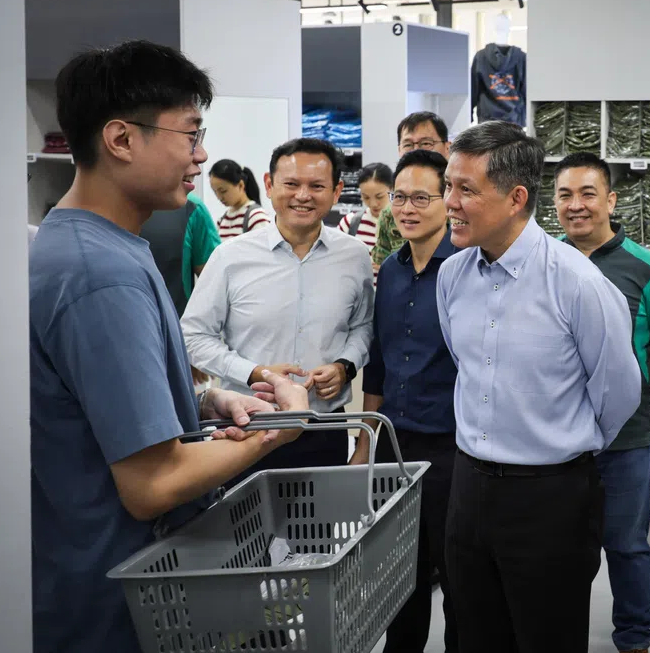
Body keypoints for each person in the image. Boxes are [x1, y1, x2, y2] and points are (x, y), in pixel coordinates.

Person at [29, 39, 310, 653]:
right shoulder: (99, 274)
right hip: (115, 607)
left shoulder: (93, 243)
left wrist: (210, 397)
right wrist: (279, 431)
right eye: (189, 134)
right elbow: (152, 485)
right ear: (121, 140)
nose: (202, 154)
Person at [436, 121, 643, 653]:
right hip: (469, 489)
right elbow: (469, 370)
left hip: (550, 499)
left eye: (466, 190)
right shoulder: (453, 274)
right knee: (476, 646)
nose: (449, 203)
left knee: (546, 651)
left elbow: (618, 393)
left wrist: (560, 441)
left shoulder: (578, 284)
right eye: (447, 185)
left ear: (517, 198)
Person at [553, 152, 650, 653]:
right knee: (561, 548)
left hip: (623, 439)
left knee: (627, 546)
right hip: (557, 437)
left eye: (588, 193)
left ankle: (634, 643)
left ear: (611, 200)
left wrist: (627, 392)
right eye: (565, 195)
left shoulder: (647, 267)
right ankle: (559, 638)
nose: (576, 205)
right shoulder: (546, 259)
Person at [181, 137, 374, 484]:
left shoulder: (355, 256)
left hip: (325, 427)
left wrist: (345, 366)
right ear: (269, 185)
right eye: (291, 184)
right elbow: (193, 335)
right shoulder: (230, 257)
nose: (303, 195)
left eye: (317, 186)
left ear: (336, 191)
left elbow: (363, 327)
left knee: (320, 535)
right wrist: (254, 372)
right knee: (246, 533)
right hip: (247, 428)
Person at [355, 148, 459, 653]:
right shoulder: (390, 272)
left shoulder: (466, 268)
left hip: (453, 448)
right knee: (400, 574)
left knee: (457, 575)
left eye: (422, 197)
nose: (408, 208)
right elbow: (377, 360)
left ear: (447, 200)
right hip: (395, 444)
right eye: (400, 197)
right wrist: (365, 441)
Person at [372, 111, 453, 267]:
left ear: (447, 147)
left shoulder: (464, 207)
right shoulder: (391, 214)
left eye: (426, 143)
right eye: (408, 145)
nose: (416, 150)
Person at [139, 188, 221, 317]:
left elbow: (217, 280)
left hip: (177, 325)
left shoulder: (191, 207)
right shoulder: (107, 205)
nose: (196, 169)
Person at [338, 162, 393, 280]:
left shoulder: (405, 224)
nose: (373, 204)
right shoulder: (350, 223)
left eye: (379, 197)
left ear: (392, 189)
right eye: (366, 197)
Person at [210, 158, 270, 240]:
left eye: (223, 191)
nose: (219, 197)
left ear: (241, 185)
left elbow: (263, 251)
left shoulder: (256, 217)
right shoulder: (222, 221)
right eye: (215, 192)